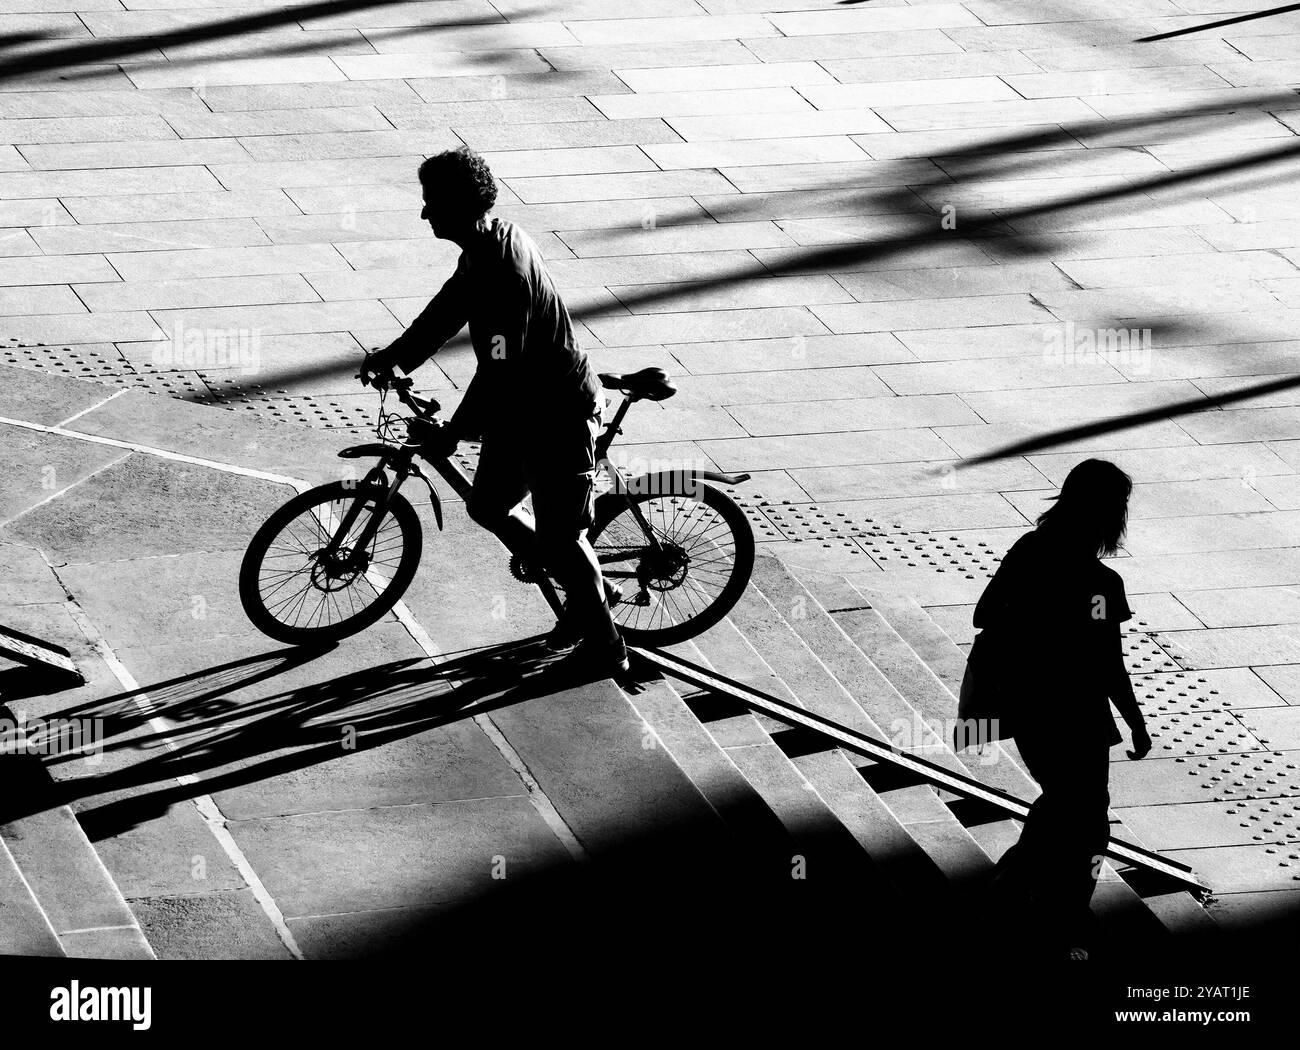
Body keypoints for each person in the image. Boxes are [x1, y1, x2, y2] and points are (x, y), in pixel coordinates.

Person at [361, 147, 628, 676]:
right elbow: (446, 309)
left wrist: (454, 433)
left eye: (431, 202)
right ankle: (595, 588)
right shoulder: (486, 246)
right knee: (487, 507)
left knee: (560, 538)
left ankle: (606, 647)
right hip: (520, 410)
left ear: (460, 204)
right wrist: (396, 356)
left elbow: (499, 370)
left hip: (556, 413)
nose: (424, 213)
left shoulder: (503, 269)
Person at [971, 458, 1152, 960]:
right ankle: (1059, 907)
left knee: (1062, 802)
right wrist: (1135, 722)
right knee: (1089, 816)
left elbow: (983, 614)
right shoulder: (1100, 584)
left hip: (1024, 702)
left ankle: (1021, 890)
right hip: (1076, 711)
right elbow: (1108, 661)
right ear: (1109, 515)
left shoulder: (1029, 550)